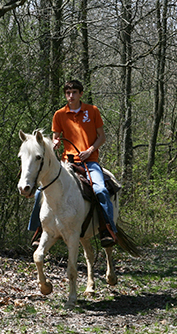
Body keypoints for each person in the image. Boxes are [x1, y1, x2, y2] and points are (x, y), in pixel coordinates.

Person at [28, 80, 116, 247]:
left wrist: (90, 151)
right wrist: (55, 143)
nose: (71, 96)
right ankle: (39, 230)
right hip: (67, 163)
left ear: (81, 94)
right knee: (40, 192)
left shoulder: (92, 111)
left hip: (89, 162)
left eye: (74, 92)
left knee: (100, 190)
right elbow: (56, 137)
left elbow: (101, 137)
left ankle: (107, 229)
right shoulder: (59, 114)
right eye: (68, 93)